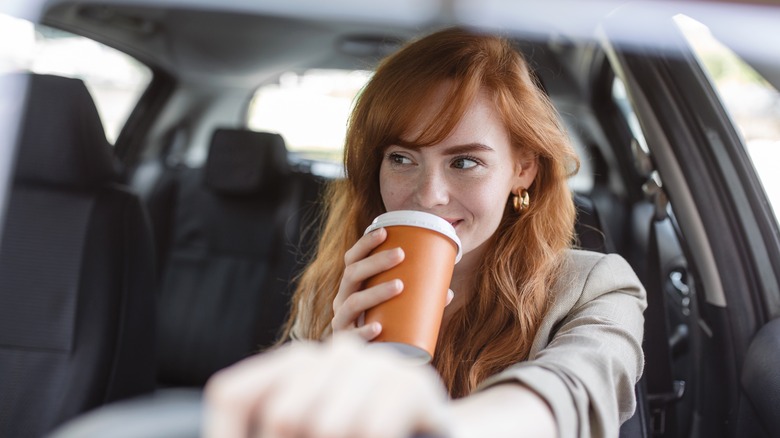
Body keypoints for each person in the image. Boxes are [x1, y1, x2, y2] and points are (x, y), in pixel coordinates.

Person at [204, 27, 647, 438]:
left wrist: (433, 423)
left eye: (465, 162)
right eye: (401, 158)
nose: (428, 195)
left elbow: (569, 393)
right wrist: (333, 359)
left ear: (522, 169)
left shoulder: (597, 288)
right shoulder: (334, 290)